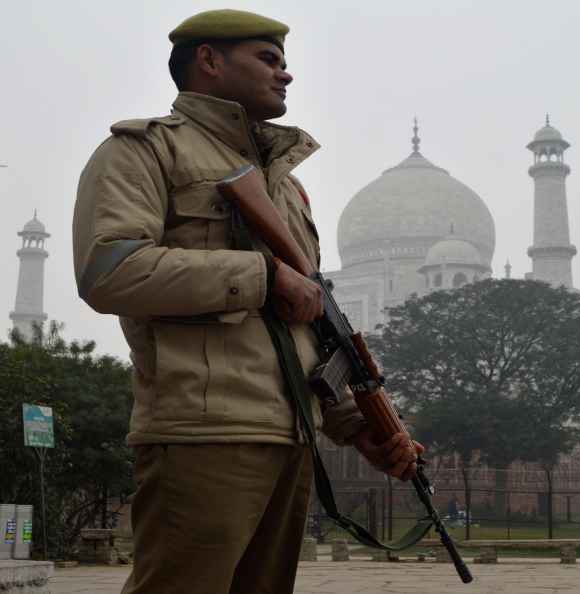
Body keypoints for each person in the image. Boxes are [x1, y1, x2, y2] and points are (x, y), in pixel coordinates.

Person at [72, 9, 423, 594]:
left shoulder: (285, 187)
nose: (285, 75)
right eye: (268, 59)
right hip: (204, 432)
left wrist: (353, 422)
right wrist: (262, 274)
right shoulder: (145, 152)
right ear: (208, 60)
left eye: (286, 63)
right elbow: (111, 272)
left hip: (291, 438)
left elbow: (305, 330)